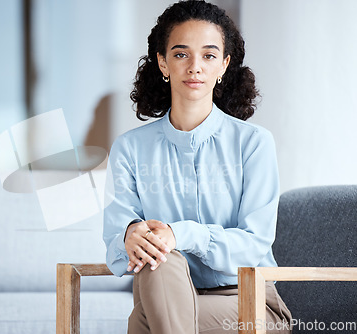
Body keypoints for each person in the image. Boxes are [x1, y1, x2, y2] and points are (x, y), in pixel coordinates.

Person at [103, 1, 292, 333]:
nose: (195, 67)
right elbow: (116, 241)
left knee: (143, 318)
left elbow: (253, 244)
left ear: (224, 65)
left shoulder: (254, 143)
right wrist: (131, 235)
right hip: (163, 290)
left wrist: (180, 235)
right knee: (156, 257)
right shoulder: (130, 148)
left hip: (250, 304)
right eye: (180, 54)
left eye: (208, 55)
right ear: (162, 63)